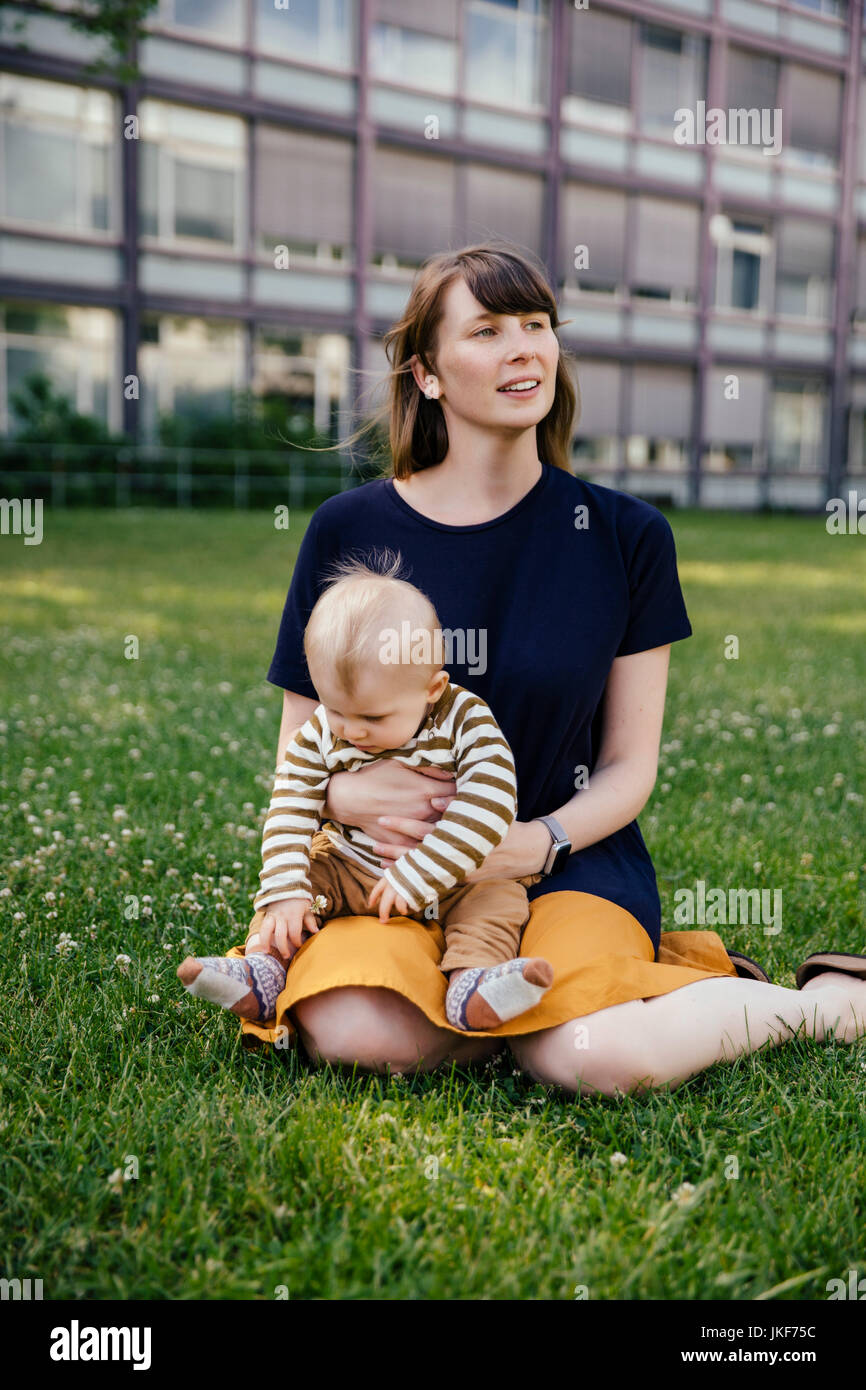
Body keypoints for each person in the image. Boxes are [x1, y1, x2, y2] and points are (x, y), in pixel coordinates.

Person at [226, 241, 866, 1096]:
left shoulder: (627, 536)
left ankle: (820, 1004)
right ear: (426, 374)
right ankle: (559, 1008)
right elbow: (299, 747)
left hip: (570, 856)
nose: (523, 347)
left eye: (536, 325)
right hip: (386, 862)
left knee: (589, 1057)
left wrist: (537, 839)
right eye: (487, 331)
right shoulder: (347, 530)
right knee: (357, 1031)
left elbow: (629, 768)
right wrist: (345, 797)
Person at [177, 556, 551, 1032]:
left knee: (496, 903)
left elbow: (492, 800)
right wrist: (286, 890)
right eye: (336, 711)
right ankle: (263, 969)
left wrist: (420, 872)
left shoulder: (466, 719)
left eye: (373, 719)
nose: (352, 731)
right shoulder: (323, 730)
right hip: (354, 866)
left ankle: (473, 981)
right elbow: (290, 802)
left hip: (460, 876)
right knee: (301, 883)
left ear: (432, 688)